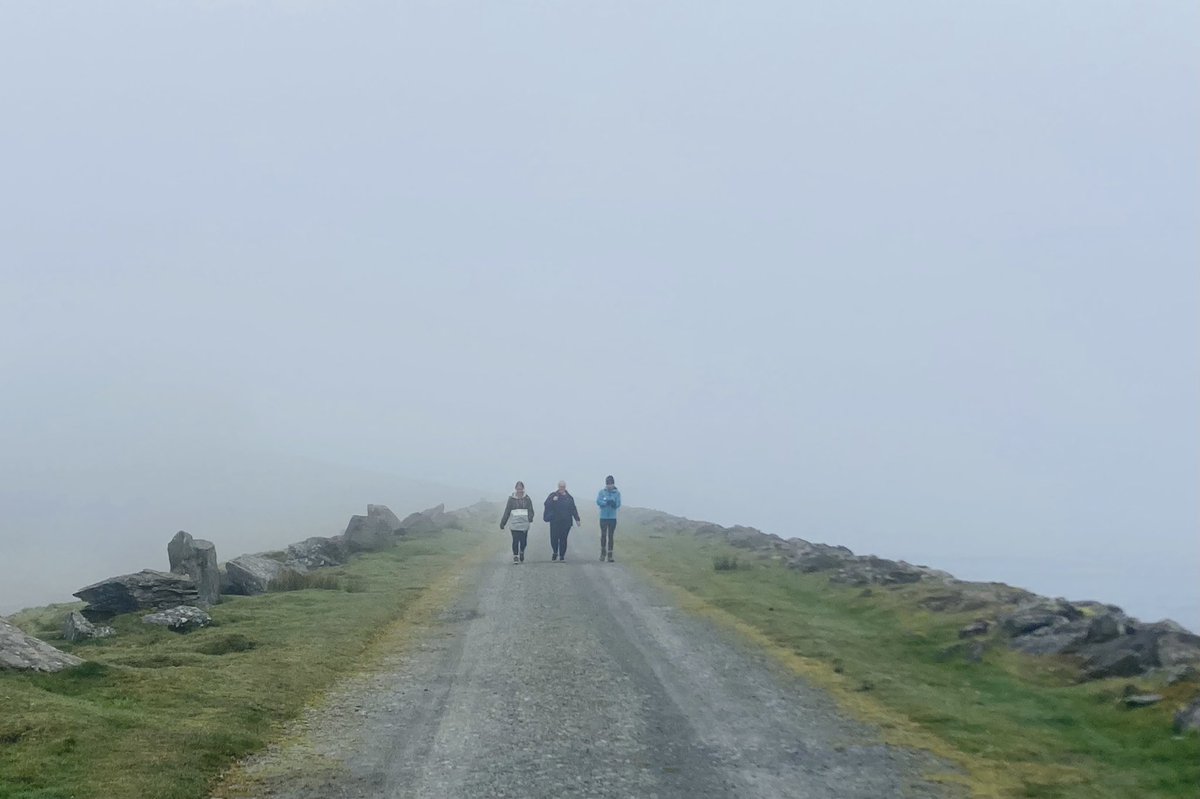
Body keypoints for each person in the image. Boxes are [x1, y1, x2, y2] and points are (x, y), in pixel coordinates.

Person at [543, 480, 580, 561]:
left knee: (563, 538)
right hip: (555, 521)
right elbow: (546, 504)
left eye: (563, 487)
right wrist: (553, 500)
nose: (562, 488)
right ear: (558, 487)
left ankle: (562, 555)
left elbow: (573, 508)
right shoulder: (553, 495)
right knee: (554, 538)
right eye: (560, 487)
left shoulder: (569, 498)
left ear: (565, 487)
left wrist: (577, 519)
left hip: (566, 522)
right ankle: (555, 552)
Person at [499, 481, 534, 563]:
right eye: (518, 489)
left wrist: (530, 518)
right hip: (514, 524)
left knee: (523, 541)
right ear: (515, 489)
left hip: (524, 524)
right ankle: (515, 556)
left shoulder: (527, 499)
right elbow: (507, 511)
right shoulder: (511, 499)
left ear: (523, 489)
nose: (519, 490)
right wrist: (503, 523)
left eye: (521, 489)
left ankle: (521, 551)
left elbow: (531, 510)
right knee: (515, 540)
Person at [595, 475, 621, 562]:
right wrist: (605, 503)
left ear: (613, 484)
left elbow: (618, 504)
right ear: (606, 484)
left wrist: (614, 504)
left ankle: (610, 555)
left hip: (612, 518)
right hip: (603, 517)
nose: (610, 486)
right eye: (608, 484)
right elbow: (598, 501)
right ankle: (603, 553)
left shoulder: (617, 493)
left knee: (611, 536)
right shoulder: (602, 492)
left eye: (611, 484)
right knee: (603, 535)